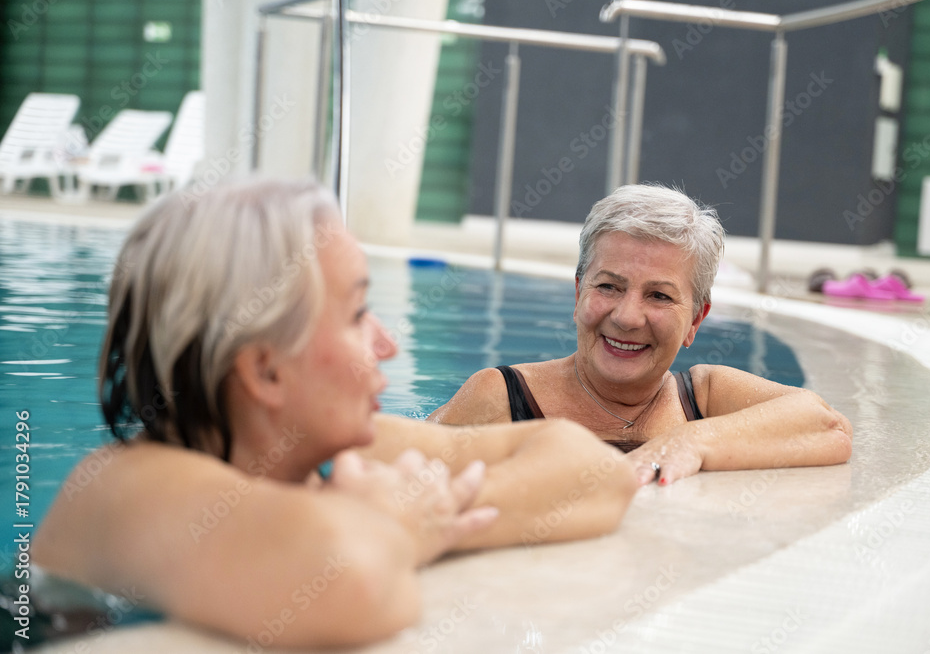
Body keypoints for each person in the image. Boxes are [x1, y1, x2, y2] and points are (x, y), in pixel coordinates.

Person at [34, 179, 639, 649]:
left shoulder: (313, 448)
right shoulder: (125, 489)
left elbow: (596, 473)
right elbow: (356, 586)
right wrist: (399, 518)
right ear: (266, 371)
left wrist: (423, 512)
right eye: (356, 315)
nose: (387, 344)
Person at [429, 184, 853, 484]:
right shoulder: (503, 398)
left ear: (695, 321)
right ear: (579, 294)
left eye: (659, 296)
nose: (628, 317)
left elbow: (828, 427)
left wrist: (693, 440)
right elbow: (399, 469)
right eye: (608, 287)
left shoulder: (704, 400)